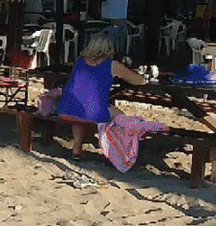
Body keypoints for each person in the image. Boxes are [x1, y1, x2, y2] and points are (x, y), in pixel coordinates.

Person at [56, 31, 148, 159]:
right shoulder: (112, 64)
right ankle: (117, 152)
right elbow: (139, 80)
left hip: (65, 108)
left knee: (79, 109)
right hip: (91, 111)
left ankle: (77, 148)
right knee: (120, 116)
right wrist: (146, 77)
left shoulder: (80, 61)